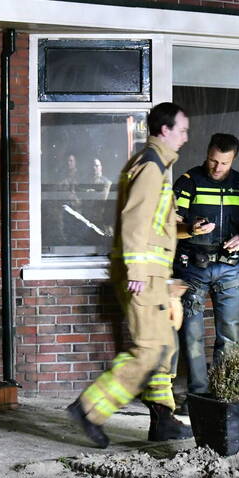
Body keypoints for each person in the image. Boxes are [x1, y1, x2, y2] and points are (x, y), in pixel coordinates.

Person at [67, 102, 193, 447]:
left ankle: (163, 418)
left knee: (163, 345)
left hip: (151, 273)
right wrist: (138, 269)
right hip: (144, 275)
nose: (185, 136)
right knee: (150, 349)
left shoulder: (152, 163)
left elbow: (151, 222)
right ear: (164, 130)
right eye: (181, 129)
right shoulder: (151, 167)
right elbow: (136, 218)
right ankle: (90, 409)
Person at [172, 133, 239, 413]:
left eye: (224, 163)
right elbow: (169, 226)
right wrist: (191, 229)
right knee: (192, 334)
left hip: (231, 268)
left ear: (233, 158)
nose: (216, 168)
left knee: (229, 334)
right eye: (213, 160)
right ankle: (198, 397)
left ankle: (222, 395)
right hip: (193, 268)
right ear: (207, 153)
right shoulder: (188, 182)